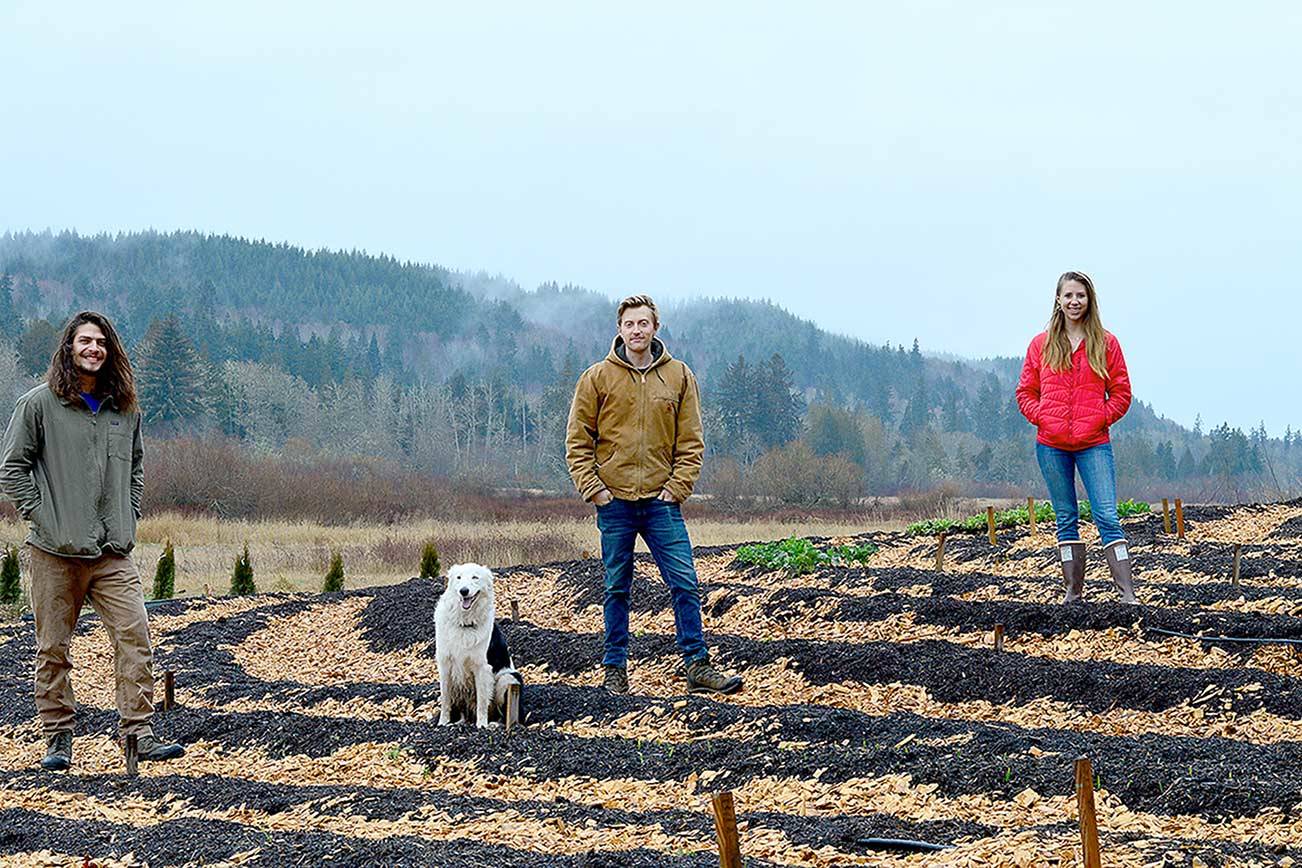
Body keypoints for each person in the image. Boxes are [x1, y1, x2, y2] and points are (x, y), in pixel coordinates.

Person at [0, 311, 185, 770]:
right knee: (53, 647)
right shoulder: (38, 404)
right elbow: (11, 468)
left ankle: (138, 734)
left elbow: (136, 468)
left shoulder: (125, 410)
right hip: (53, 553)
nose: (93, 349)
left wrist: (130, 513)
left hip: (111, 553)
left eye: (101, 342)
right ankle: (58, 738)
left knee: (134, 634)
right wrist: (43, 517)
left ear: (110, 351)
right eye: (85, 341)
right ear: (69, 347)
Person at [566, 295, 743, 695]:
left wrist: (676, 488)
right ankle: (614, 669)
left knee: (685, 582)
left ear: (655, 328)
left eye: (643, 323)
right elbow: (578, 441)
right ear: (620, 330)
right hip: (616, 504)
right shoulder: (597, 378)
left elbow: (692, 441)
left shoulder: (679, 376)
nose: (636, 331)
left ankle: (697, 665)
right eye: (629, 324)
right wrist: (595, 491)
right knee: (616, 587)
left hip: (661, 504)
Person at [1016, 272, 1135, 604]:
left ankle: (1126, 593)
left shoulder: (1106, 343)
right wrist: (1043, 418)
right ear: (1058, 299)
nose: (1074, 301)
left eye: (1080, 295)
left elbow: (1122, 393)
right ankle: (1073, 591)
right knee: (1065, 517)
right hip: (1051, 446)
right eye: (1068, 295)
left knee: (1107, 515)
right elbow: (1025, 391)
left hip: (1094, 444)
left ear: (1089, 299)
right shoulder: (1041, 345)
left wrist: (1100, 419)